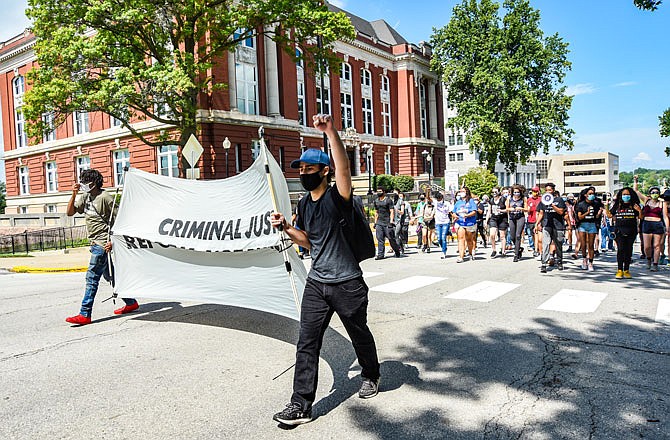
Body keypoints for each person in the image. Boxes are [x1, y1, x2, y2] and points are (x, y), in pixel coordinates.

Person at [270, 115, 381, 426]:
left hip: (347, 284)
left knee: (359, 334)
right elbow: (308, 242)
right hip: (317, 283)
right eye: (301, 169)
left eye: (308, 169)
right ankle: (300, 405)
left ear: (324, 171)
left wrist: (331, 131)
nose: (303, 173)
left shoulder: (338, 197)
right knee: (306, 341)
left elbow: (344, 167)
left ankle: (371, 373)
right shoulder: (304, 204)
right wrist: (287, 228)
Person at [64, 169, 139, 325]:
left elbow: (121, 220)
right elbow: (70, 213)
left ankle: (84, 313)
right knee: (110, 276)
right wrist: (74, 194)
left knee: (92, 278)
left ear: (94, 183)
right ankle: (131, 302)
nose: (83, 184)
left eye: (85, 182)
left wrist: (114, 241)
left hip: (102, 244)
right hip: (94, 243)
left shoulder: (105, 198)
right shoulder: (85, 197)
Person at [604, 188, 641, 279]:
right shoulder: (617, 205)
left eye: (627, 195)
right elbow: (610, 215)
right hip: (619, 231)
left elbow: (641, 217)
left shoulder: (634, 205)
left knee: (628, 250)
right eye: (624, 194)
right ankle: (620, 270)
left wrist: (639, 210)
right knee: (620, 249)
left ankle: (627, 270)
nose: (626, 196)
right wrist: (606, 206)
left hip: (631, 230)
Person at [535, 183, 566, 273]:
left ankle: (559, 261)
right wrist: (537, 223)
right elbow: (541, 213)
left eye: (550, 190)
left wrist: (553, 205)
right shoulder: (543, 201)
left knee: (558, 244)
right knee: (546, 244)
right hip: (547, 224)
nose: (548, 192)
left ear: (553, 190)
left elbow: (561, 212)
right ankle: (544, 263)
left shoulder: (559, 200)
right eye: (547, 190)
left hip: (558, 225)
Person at [635, 182, 666, 272]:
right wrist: (636, 181)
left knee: (657, 245)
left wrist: (667, 227)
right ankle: (649, 259)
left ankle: (655, 264)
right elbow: (636, 191)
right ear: (650, 194)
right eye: (653, 192)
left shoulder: (662, 203)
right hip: (647, 224)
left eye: (656, 192)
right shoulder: (646, 201)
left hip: (658, 224)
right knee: (647, 247)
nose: (655, 194)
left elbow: (665, 216)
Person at [575, 187, 602, 271]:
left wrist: (599, 212)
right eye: (590, 194)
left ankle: (590, 262)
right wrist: (587, 212)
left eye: (593, 194)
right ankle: (584, 260)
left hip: (592, 224)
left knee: (591, 245)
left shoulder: (596, 203)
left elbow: (597, 216)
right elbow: (579, 217)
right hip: (583, 225)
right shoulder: (581, 204)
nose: (591, 195)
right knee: (583, 244)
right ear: (585, 195)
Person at [373, 186, 401, 259]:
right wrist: (375, 223)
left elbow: (392, 211)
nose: (378, 193)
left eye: (380, 191)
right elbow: (376, 212)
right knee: (380, 239)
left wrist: (391, 221)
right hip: (379, 223)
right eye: (377, 191)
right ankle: (380, 255)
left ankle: (397, 250)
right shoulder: (376, 201)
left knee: (391, 239)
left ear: (384, 192)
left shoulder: (388, 201)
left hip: (387, 223)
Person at [452, 187, 479, 262]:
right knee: (461, 239)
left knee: (469, 240)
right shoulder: (458, 202)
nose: (461, 193)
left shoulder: (471, 201)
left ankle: (470, 253)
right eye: (460, 191)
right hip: (461, 222)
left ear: (467, 192)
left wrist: (467, 215)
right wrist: (455, 215)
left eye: (463, 191)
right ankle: (461, 256)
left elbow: (474, 211)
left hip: (470, 223)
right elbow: (453, 212)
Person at [506, 185, 527, 262]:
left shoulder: (523, 199)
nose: (516, 193)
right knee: (512, 236)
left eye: (518, 192)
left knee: (518, 235)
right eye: (514, 192)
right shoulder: (509, 198)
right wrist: (511, 209)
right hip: (512, 217)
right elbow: (507, 208)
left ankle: (516, 254)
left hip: (520, 217)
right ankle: (519, 248)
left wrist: (521, 208)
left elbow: (526, 209)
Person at [488, 188, 508, 258]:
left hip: (502, 218)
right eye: (492, 192)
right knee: (492, 234)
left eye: (495, 192)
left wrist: (502, 210)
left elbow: (508, 209)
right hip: (493, 218)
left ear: (499, 192)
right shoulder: (491, 200)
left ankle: (503, 251)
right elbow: (489, 211)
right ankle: (494, 250)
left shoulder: (503, 199)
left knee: (502, 236)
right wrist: (486, 220)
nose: (494, 193)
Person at [434, 192, 452, 259]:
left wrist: (455, 217)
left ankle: (443, 252)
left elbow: (451, 212)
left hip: (445, 222)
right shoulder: (435, 202)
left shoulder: (447, 203)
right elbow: (428, 198)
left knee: (443, 237)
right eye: (438, 199)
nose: (439, 200)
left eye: (440, 198)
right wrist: (428, 191)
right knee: (439, 239)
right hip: (438, 223)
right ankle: (443, 247)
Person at [526, 187, 541, 256]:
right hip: (530, 219)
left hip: (538, 220)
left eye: (536, 191)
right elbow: (527, 210)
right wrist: (528, 209)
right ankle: (536, 247)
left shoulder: (540, 199)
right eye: (533, 191)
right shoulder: (529, 200)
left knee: (537, 234)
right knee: (532, 235)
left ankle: (536, 250)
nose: (534, 193)